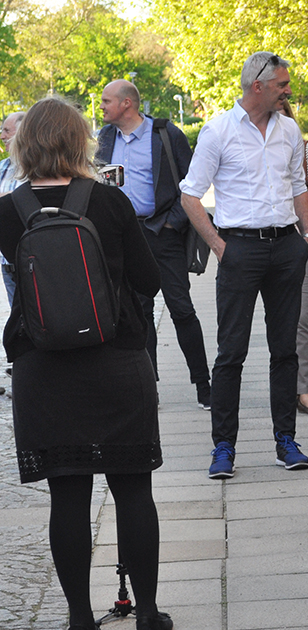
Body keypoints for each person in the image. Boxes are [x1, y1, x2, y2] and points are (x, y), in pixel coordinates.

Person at [0, 96, 172, 630]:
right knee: (133, 491)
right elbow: (148, 281)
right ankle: (147, 613)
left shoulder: (7, 210)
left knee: (67, 496)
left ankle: (79, 617)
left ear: (23, 145)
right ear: (81, 142)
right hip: (116, 360)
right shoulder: (111, 201)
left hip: (43, 367)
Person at [180, 51, 308, 479]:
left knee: (285, 350)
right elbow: (190, 194)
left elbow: (299, 184)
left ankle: (286, 441)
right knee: (231, 352)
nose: (288, 90)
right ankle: (224, 447)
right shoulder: (218, 131)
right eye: (282, 84)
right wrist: (219, 246)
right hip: (239, 249)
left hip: (286, 248)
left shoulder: (289, 129)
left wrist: (306, 237)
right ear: (258, 85)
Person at [97, 80, 212, 410]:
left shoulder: (165, 134)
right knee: (139, 313)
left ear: (127, 104)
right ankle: (148, 388)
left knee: (182, 309)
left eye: (106, 101)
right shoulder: (105, 138)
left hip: (162, 233)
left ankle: (204, 385)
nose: (101, 106)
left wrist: (173, 222)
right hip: (125, 236)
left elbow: (191, 183)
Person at [280, 100, 308, 417]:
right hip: (264, 246)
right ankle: (282, 385)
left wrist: (303, 236)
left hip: (301, 245)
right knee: (277, 321)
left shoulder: (307, 150)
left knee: (301, 319)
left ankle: (304, 389)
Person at [0, 110, 26, 304]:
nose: (2, 136)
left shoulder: (38, 167)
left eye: (7, 131)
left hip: (30, 257)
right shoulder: (3, 166)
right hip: (6, 260)